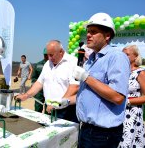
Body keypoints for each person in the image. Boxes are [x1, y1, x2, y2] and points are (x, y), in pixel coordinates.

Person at [56, 13, 130, 147]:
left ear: (107, 36)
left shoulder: (116, 57)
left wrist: (86, 77)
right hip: (86, 129)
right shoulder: (91, 60)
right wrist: (67, 101)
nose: (88, 35)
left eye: (94, 32)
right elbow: (89, 95)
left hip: (102, 134)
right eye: (88, 32)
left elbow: (118, 97)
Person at [15, 40, 79, 123]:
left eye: (51, 55)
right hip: (50, 108)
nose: (49, 58)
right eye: (47, 55)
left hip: (67, 111)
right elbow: (39, 83)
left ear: (61, 52)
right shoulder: (47, 64)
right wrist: (26, 95)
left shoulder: (73, 62)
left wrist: (57, 104)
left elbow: (75, 87)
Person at [118, 45, 145, 148]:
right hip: (117, 112)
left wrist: (127, 101)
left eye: (126, 54)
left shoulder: (141, 73)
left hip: (131, 115)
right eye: (122, 54)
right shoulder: (120, 72)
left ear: (135, 57)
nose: (123, 57)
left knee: (128, 142)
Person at [31, 47, 48, 113]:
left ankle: (47, 122)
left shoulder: (55, 65)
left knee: (48, 108)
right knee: (38, 107)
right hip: (39, 90)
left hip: (49, 90)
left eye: (48, 54)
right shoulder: (38, 65)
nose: (46, 56)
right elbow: (34, 78)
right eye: (45, 55)